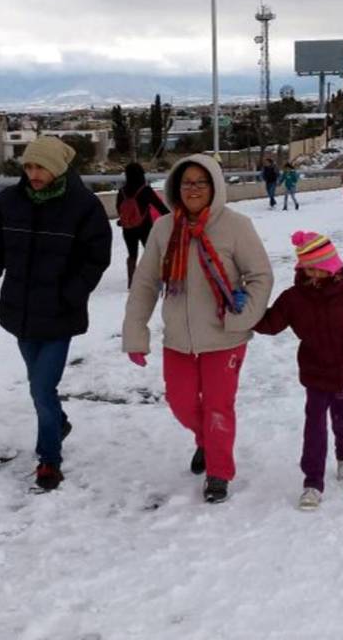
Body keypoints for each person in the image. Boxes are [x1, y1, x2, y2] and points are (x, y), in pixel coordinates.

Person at [122, 154, 273, 504]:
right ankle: (206, 440)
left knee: (219, 406)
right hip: (178, 338)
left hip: (225, 338)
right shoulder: (163, 229)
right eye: (186, 182)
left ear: (214, 187)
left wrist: (241, 317)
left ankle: (219, 471)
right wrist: (135, 333)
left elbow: (260, 276)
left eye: (200, 182)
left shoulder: (236, 226)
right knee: (180, 402)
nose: (192, 189)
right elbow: (146, 282)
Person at [0, 136, 113, 491]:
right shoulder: (7, 203)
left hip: (60, 314)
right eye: (28, 166)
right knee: (39, 387)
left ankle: (49, 459)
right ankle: (58, 421)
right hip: (20, 314)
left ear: (58, 167)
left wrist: (71, 294)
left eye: (40, 166)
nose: (33, 173)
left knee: (42, 388)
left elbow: (97, 257)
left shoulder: (83, 206)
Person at [253, 231, 343, 511]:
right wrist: (247, 309)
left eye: (316, 268)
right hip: (314, 376)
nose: (310, 273)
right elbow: (271, 324)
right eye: (305, 268)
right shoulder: (293, 298)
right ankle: (312, 482)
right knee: (314, 429)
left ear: (331, 267)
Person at [116, 161, 170, 288]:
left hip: (128, 228)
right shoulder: (145, 190)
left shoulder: (122, 191)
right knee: (150, 253)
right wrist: (172, 218)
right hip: (145, 227)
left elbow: (119, 209)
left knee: (132, 254)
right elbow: (161, 208)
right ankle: (155, 279)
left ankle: (131, 282)